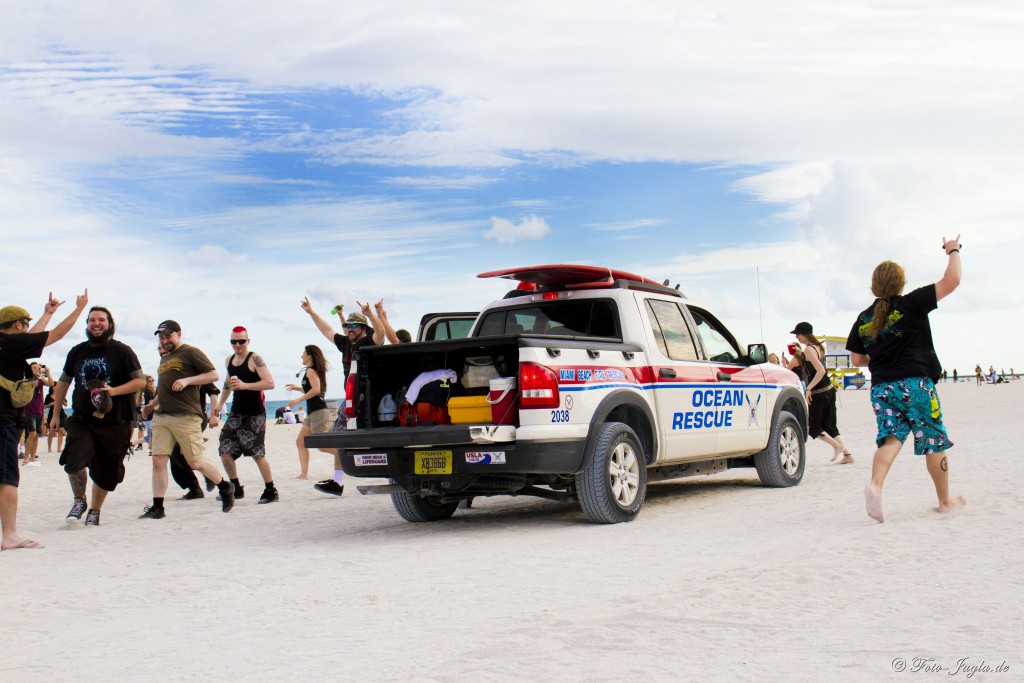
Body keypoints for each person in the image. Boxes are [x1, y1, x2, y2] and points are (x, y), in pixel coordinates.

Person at [848, 235, 966, 523]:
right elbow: (953, 280)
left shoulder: (864, 318)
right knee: (933, 440)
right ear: (900, 283)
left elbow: (857, 360)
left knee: (890, 439)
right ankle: (945, 502)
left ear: (874, 285)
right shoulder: (912, 303)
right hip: (916, 385)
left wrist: (878, 356)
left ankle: (875, 485)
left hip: (881, 388)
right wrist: (952, 249)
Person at [1, 290, 89, 550]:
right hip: (2, 421)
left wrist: (47, 313)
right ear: (18, 325)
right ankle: (9, 536)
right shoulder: (12, 344)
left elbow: (30, 340)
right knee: (7, 479)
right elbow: (55, 336)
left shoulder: (7, 346)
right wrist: (79, 309)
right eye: (25, 324)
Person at [49, 306, 146, 526]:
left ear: (109, 324)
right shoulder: (77, 351)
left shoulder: (122, 351)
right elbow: (64, 381)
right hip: (83, 419)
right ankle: (79, 500)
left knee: (107, 471)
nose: (96, 323)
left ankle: (94, 510)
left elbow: (139, 381)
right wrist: (56, 414)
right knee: (73, 461)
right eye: (92, 319)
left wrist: (113, 391)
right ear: (87, 324)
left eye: (101, 319)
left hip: (116, 420)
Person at [139, 320, 234, 519]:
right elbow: (164, 389)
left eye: (168, 336)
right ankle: (158, 507)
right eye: (161, 337)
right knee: (158, 460)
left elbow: (214, 375)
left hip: (186, 416)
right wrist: (151, 405)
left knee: (194, 462)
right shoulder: (164, 358)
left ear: (178, 334)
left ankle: (225, 487)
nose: (164, 340)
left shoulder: (191, 352)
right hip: (162, 416)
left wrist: (187, 380)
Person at [301, 298, 384, 495]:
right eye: (347, 325)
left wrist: (372, 314)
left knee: (366, 439)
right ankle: (338, 482)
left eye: (354, 325)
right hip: (349, 399)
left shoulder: (368, 341)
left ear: (363, 328)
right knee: (339, 438)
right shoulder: (345, 343)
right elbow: (327, 330)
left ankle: (369, 472)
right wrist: (312, 312)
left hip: (368, 397)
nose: (349, 328)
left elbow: (380, 335)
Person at [208, 326, 278, 504]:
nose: (237, 345)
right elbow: (227, 384)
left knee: (257, 454)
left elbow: (270, 383)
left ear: (248, 341)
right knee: (224, 450)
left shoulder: (255, 359)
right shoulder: (228, 360)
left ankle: (271, 490)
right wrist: (220, 405)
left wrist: (245, 385)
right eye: (233, 341)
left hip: (255, 414)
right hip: (235, 413)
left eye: (241, 341)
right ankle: (236, 488)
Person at [787, 322, 853, 464]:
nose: (797, 337)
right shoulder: (818, 347)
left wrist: (809, 388)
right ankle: (847, 455)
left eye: (798, 334)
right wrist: (800, 354)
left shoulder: (809, 350)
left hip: (819, 392)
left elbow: (820, 371)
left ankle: (838, 446)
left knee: (813, 427)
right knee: (830, 425)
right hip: (829, 389)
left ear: (804, 334)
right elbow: (815, 364)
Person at [285, 345, 331, 480]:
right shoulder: (310, 371)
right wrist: (298, 388)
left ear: (309, 355)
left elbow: (316, 390)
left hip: (319, 412)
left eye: (303, 353)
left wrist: (298, 400)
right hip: (312, 413)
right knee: (300, 442)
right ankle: (304, 474)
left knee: (322, 446)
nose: (301, 356)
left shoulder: (311, 371)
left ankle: (341, 454)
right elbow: (312, 390)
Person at [21, 362, 54, 466]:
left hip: (39, 411)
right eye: (33, 368)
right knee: (32, 433)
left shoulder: (40, 380)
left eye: (37, 367)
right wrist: (34, 374)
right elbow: (30, 385)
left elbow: (51, 384)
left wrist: (47, 373)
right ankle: (26, 457)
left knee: (37, 436)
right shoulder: (26, 380)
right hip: (29, 410)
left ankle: (32, 457)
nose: (35, 369)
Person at [44, 385, 68, 452]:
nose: (55, 389)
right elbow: (44, 406)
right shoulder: (48, 396)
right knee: (51, 432)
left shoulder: (61, 394)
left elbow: (66, 404)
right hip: (52, 414)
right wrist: (50, 404)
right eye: (53, 387)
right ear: (51, 388)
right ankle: (49, 447)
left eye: (56, 387)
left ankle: (59, 448)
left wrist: (62, 399)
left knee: (61, 430)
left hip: (61, 414)